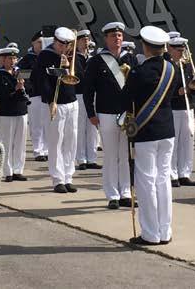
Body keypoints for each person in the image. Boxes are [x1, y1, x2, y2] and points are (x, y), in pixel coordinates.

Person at [123, 26, 179, 246]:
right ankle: (165, 231)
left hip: (146, 132)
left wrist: (128, 78)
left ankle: (150, 233)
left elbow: (125, 101)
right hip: (167, 130)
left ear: (145, 46)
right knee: (163, 180)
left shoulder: (139, 72)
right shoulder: (172, 69)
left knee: (146, 181)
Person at [82, 22, 135, 209]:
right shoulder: (97, 61)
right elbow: (88, 89)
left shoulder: (130, 59)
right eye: (113, 36)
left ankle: (126, 192)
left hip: (127, 113)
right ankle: (112, 194)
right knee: (111, 155)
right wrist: (91, 113)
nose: (117, 38)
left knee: (126, 155)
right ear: (106, 39)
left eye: (119, 35)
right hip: (105, 113)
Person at [33, 27, 80, 193]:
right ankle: (57, 179)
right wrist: (49, 99)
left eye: (67, 45)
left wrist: (68, 67)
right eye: (61, 44)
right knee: (55, 141)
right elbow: (40, 79)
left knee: (71, 140)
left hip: (71, 101)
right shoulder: (45, 56)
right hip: (55, 103)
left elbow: (79, 77)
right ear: (55, 41)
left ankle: (68, 176)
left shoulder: (71, 56)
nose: (64, 48)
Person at [167, 36, 195, 187]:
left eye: (183, 50)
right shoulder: (168, 66)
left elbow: (191, 89)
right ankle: (172, 174)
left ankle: (185, 173)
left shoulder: (186, 66)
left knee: (187, 142)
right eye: (178, 50)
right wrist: (178, 92)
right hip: (173, 108)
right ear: (170, 49)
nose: (181, 53)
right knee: (174, 142)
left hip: (187, 107)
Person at [0, 46, 30, 183]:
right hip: (7, 112)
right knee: (6, 142)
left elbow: (30, 87)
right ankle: (7, 171)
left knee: (20, 142)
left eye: (14, 58)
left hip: (21, 110)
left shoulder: (19, 73)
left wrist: (24, 88)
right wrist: (15, 88)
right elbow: (1, 93)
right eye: (10, 58)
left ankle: (18, 170)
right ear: (2, 60)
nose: (13, 61)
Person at [73, 30, 100, 171]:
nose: (86, 42)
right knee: (80, 126)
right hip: (79, 93)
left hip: (93, 94)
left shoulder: (92, 57)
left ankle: (92, 158)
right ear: (77, 42)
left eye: (87, 40)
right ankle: (81, 159)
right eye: (83, 40)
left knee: (93, 127)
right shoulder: (74, 58)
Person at [22, 31, 48, 162]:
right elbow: (21, 74)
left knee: (46, 123)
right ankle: (38, 150)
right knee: (36, 124)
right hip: (34, 94)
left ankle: (46, 149)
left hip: (46, 94)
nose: (41, 44)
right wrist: (28, 87)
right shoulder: (28, 58)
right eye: (39, 42)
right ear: (33, 43)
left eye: (43, 42)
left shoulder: (47, 56)